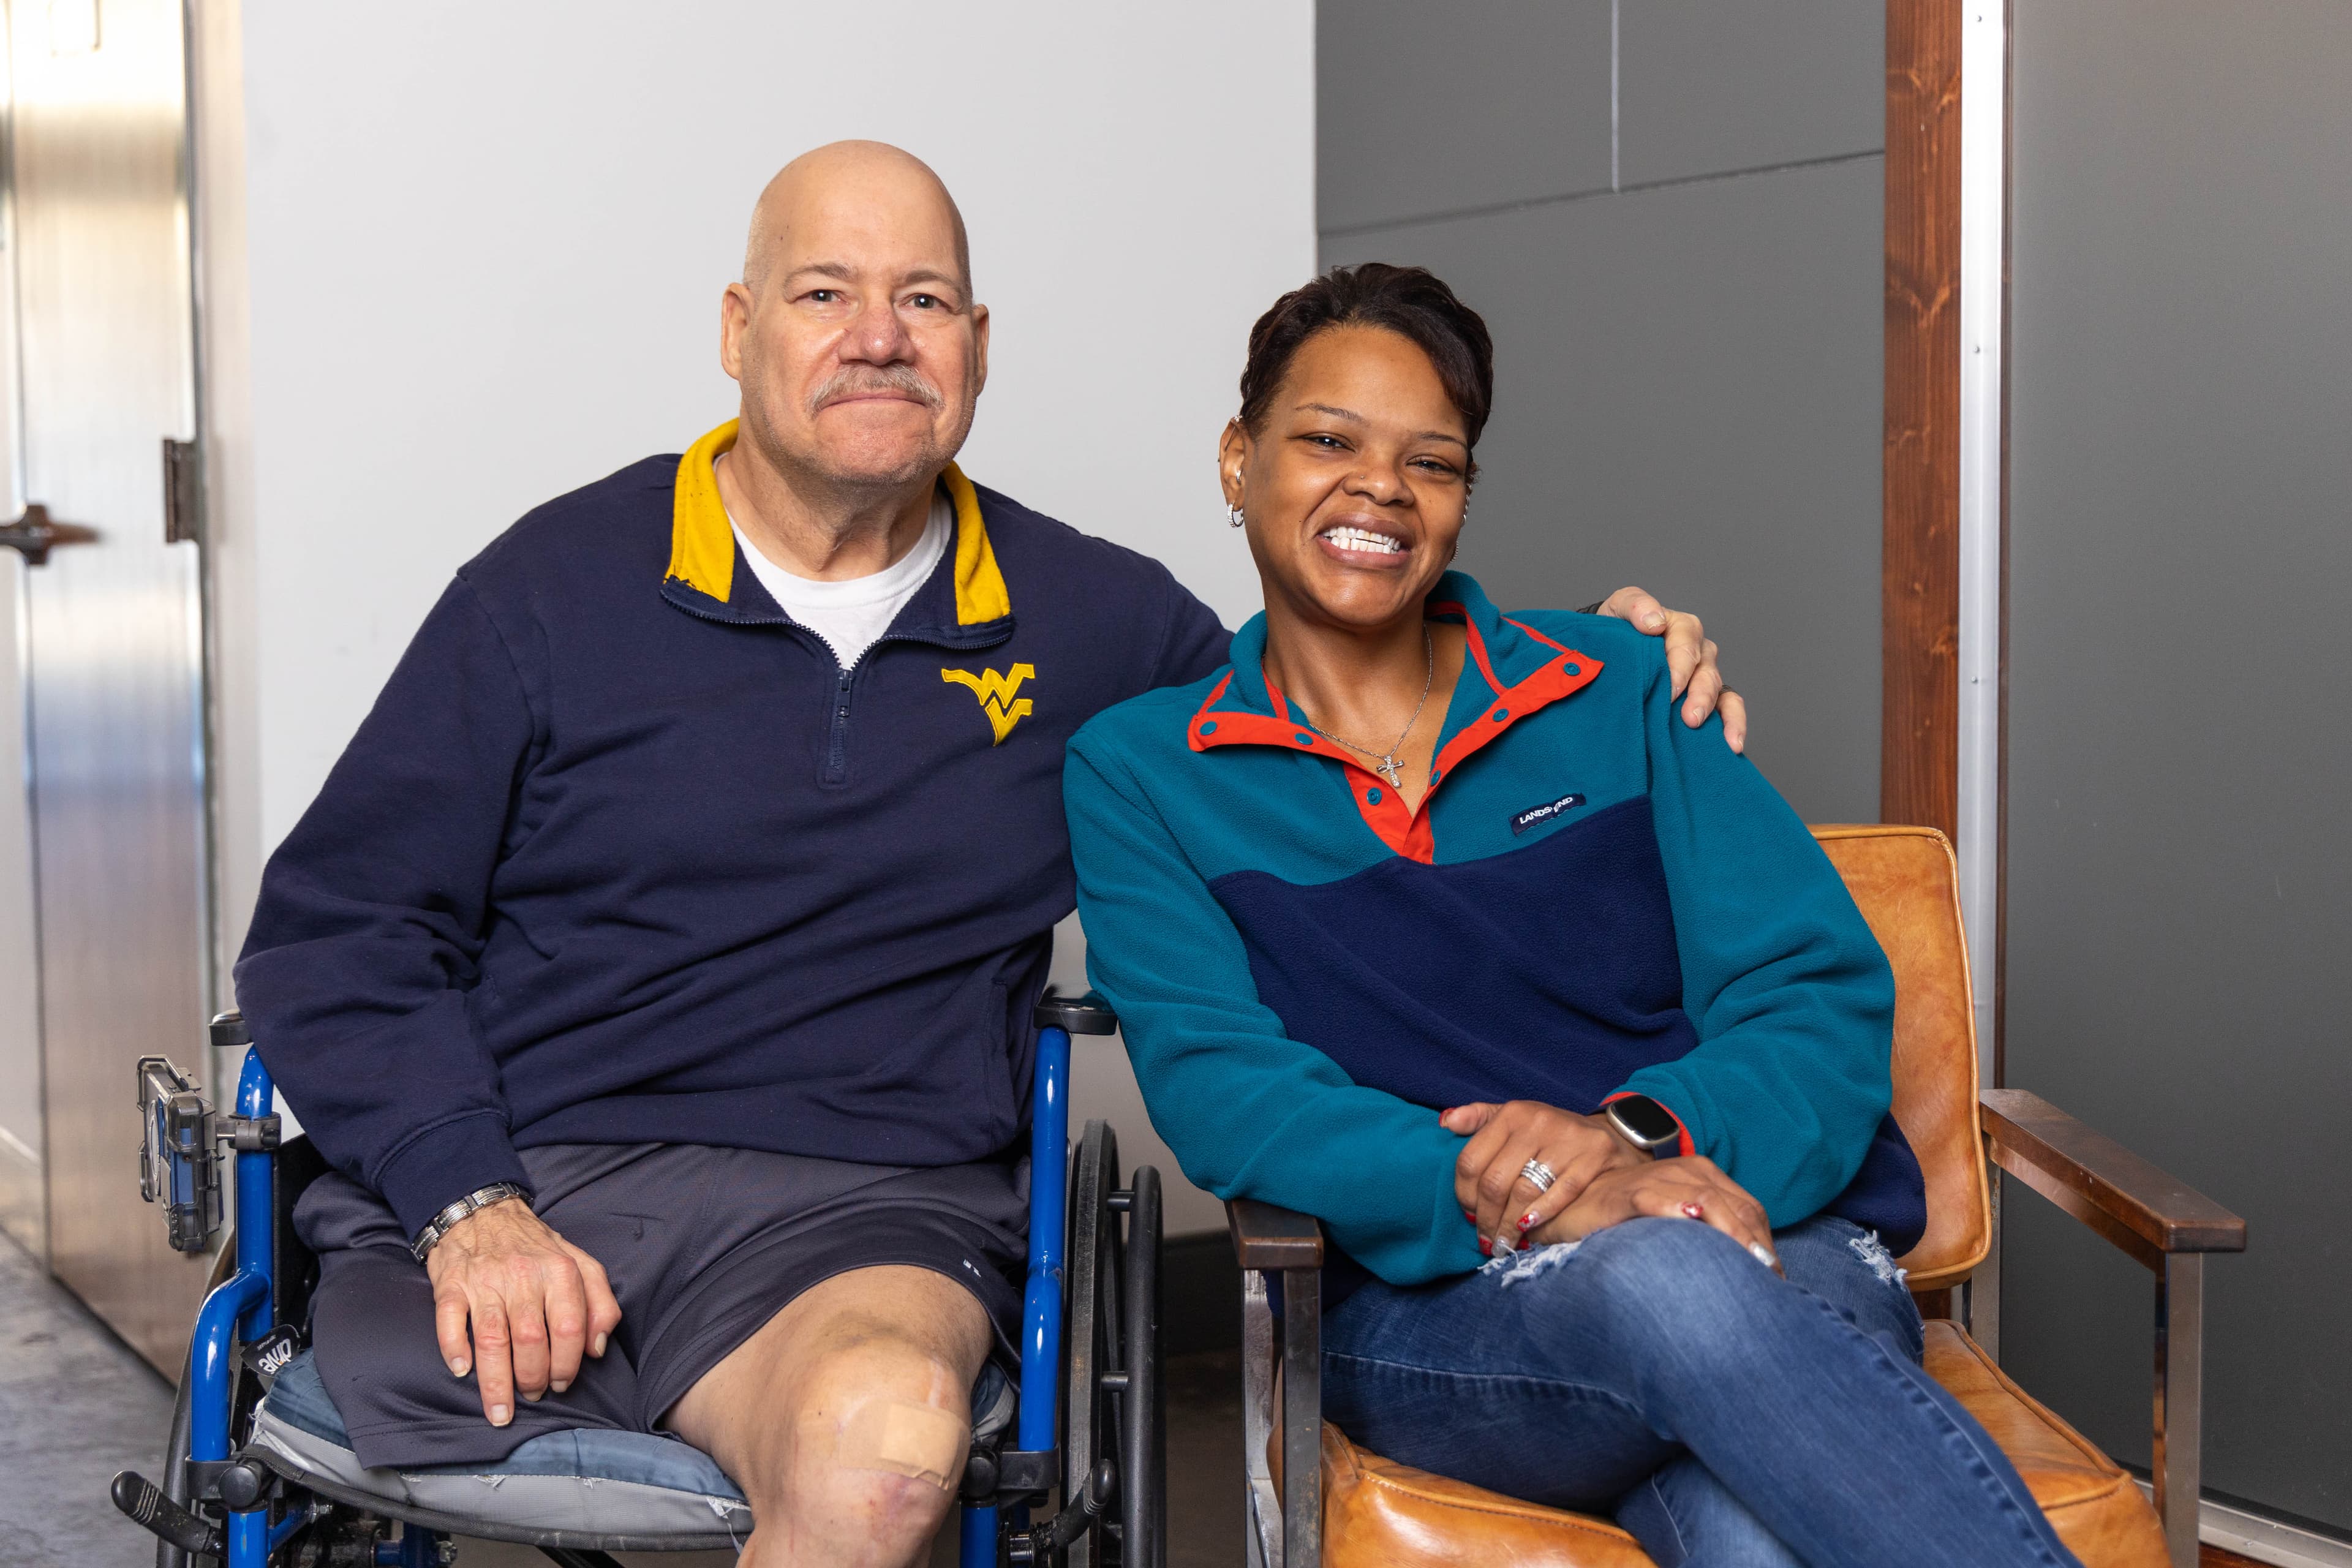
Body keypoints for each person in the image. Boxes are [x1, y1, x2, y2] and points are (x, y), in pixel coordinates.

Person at [233, 146, 1741, 1566]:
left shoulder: (1097, 622)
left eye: (925, 299)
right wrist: (469, 1200)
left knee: (888, 1446)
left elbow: (1337, 727)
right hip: (531, 1174)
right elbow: (336, 926)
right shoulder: (547, 591)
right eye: (825, 292)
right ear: (739, 329)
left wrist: (1594, 672)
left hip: (869, 1215)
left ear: (978, 346)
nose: (879, 338)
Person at [1065, 263, 2082, 1567]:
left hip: (1758, 1224)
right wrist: (1543, 1195)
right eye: (1328, 441)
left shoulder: (1623, 686)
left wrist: (1626, 1141)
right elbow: (1230, 1092)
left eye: (1431, 461)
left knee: (1744, 1521)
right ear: (1237, 458)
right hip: (1436, 1310)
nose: (1381, 488)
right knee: (1671, 1282)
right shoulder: (1141, 771)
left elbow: (1816, 1002)